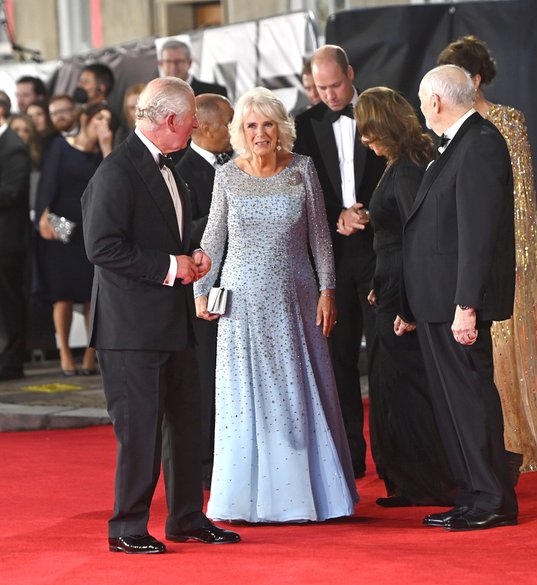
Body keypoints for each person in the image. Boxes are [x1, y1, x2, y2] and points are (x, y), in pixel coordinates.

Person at [82, 76, 240, 554]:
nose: (197, 127)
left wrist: (192, 254)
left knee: (187, 427)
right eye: (191, 119)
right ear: (170, 120)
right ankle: (127, 527)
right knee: (141, 433)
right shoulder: (116, 170)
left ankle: (187, 517)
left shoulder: (174, 168)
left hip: (172, 323)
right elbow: (101, 247)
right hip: (130, 331)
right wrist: (174, 266)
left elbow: (165, 238)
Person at [194, 86, 358, 523]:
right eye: (251, 125)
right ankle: (247, 497)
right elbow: (214, 238)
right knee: (246, 397)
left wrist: (328, 290)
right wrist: (200, 290)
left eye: (267, 124)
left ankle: (305, 495)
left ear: (281, 127)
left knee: (298, 394)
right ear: (240, 131)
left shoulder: (302, 170)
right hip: (241, 303)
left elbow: (321, 237)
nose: (260, 132)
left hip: (298, 298)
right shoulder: (226, 175)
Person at [437, 35, 537, 473]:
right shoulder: (448, 129)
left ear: (476, 78)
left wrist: (512, 254)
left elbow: (520, 196)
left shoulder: (508, 121)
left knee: (511, 339)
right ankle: (495, 440)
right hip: (468, 253)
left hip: (510, 251)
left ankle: (521, 436)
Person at [400, 64, 518, 531]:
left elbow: (478, 234)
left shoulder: (481, 144)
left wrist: (466, 304)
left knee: (470, 400)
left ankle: (493, 500)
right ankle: (472, 494)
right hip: (436, 302)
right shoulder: (457, 147)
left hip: (455, 304)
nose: (420, 107)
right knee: (453, 404)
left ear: (435, 102)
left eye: (421, 99)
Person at [353, 87, 455, 507]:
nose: (364, 140)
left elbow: (421, 241)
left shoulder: (411, 167)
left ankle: (427, 483)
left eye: (368, 131)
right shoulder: (401, 163)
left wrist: (411, 306)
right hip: (392, 293)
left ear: (386, 127)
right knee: (395, 391)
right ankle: (412, 482)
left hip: (404, 303)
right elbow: (396, 238)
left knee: (408, 392)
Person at [294, 45, 386, 478]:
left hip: (380, 252)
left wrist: (368, 213)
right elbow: (303, 191)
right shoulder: (303, 126)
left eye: (336, 85)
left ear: (351, 73)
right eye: (320, 87)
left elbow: (399, 176)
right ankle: (350, 456)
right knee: (339, 358)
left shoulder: (379, 112)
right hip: (329, 258)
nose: (329, 95)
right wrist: (338, 215)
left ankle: (397, 454)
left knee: (389, 353)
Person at [176, 92, 234, 490]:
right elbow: (181, 232)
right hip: (204, 288)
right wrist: (222, 220)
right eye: (231, 122)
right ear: (209, 126)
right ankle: (205, 464)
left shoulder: (239, 165)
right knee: (207, 377)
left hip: (241, 283)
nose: (237, 129)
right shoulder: (182, 171)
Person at [35, 103, 117, 376]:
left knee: (93, 295)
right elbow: (47, 183)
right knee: (63, 296)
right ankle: (65, 354)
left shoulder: (106, 156)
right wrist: (43, 217)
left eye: (107, 121)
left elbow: (113, 185)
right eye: (98, 119)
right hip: (62, 228)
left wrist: (106, 147)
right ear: (86, 118)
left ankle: (90, 356)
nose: (101, 125)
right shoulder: (61, 146)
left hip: (92, 229)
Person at [0, 96, 31, 381]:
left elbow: (11, 193)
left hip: (7, 242)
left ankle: (12, 361)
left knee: (9, 301)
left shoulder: (13, 148)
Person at [158, 39, 227, 97]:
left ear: (189, 63)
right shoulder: (154, 95)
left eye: (179, 61)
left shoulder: (215, 93)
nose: (174, 66)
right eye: (168, 61)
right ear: (161, 64)